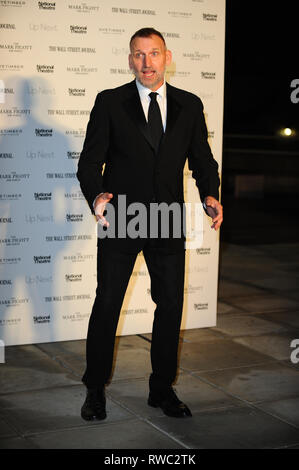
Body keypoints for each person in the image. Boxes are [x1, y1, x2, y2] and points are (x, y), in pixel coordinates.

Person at [77, 27, 223, 420]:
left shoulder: (189, 105)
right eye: (138, 55)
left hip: (169, 218)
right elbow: (90, 162)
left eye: (153, 53)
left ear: (166, 56)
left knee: (171, 306)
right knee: (107, 304)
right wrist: (97, 194)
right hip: (123, 215)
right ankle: (94, 389)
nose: (146, 62)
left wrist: (211, 192)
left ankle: (162, 389)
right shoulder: (110, 102)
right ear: (130, 60)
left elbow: (203, 160)